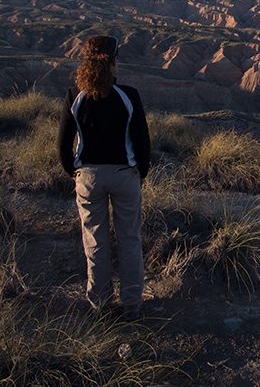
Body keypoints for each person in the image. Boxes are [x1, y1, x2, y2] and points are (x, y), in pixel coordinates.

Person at [57, 35, 151, 320]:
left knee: (95, 242)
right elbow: (142, 142)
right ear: (113, 62)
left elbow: (63, 144)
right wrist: (139, 174)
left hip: (88, 177)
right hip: (125, 175)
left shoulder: (75, 96)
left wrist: (73, 172)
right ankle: (132, 306)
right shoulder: (128, 95)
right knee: (129, 240)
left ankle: (99, 305)